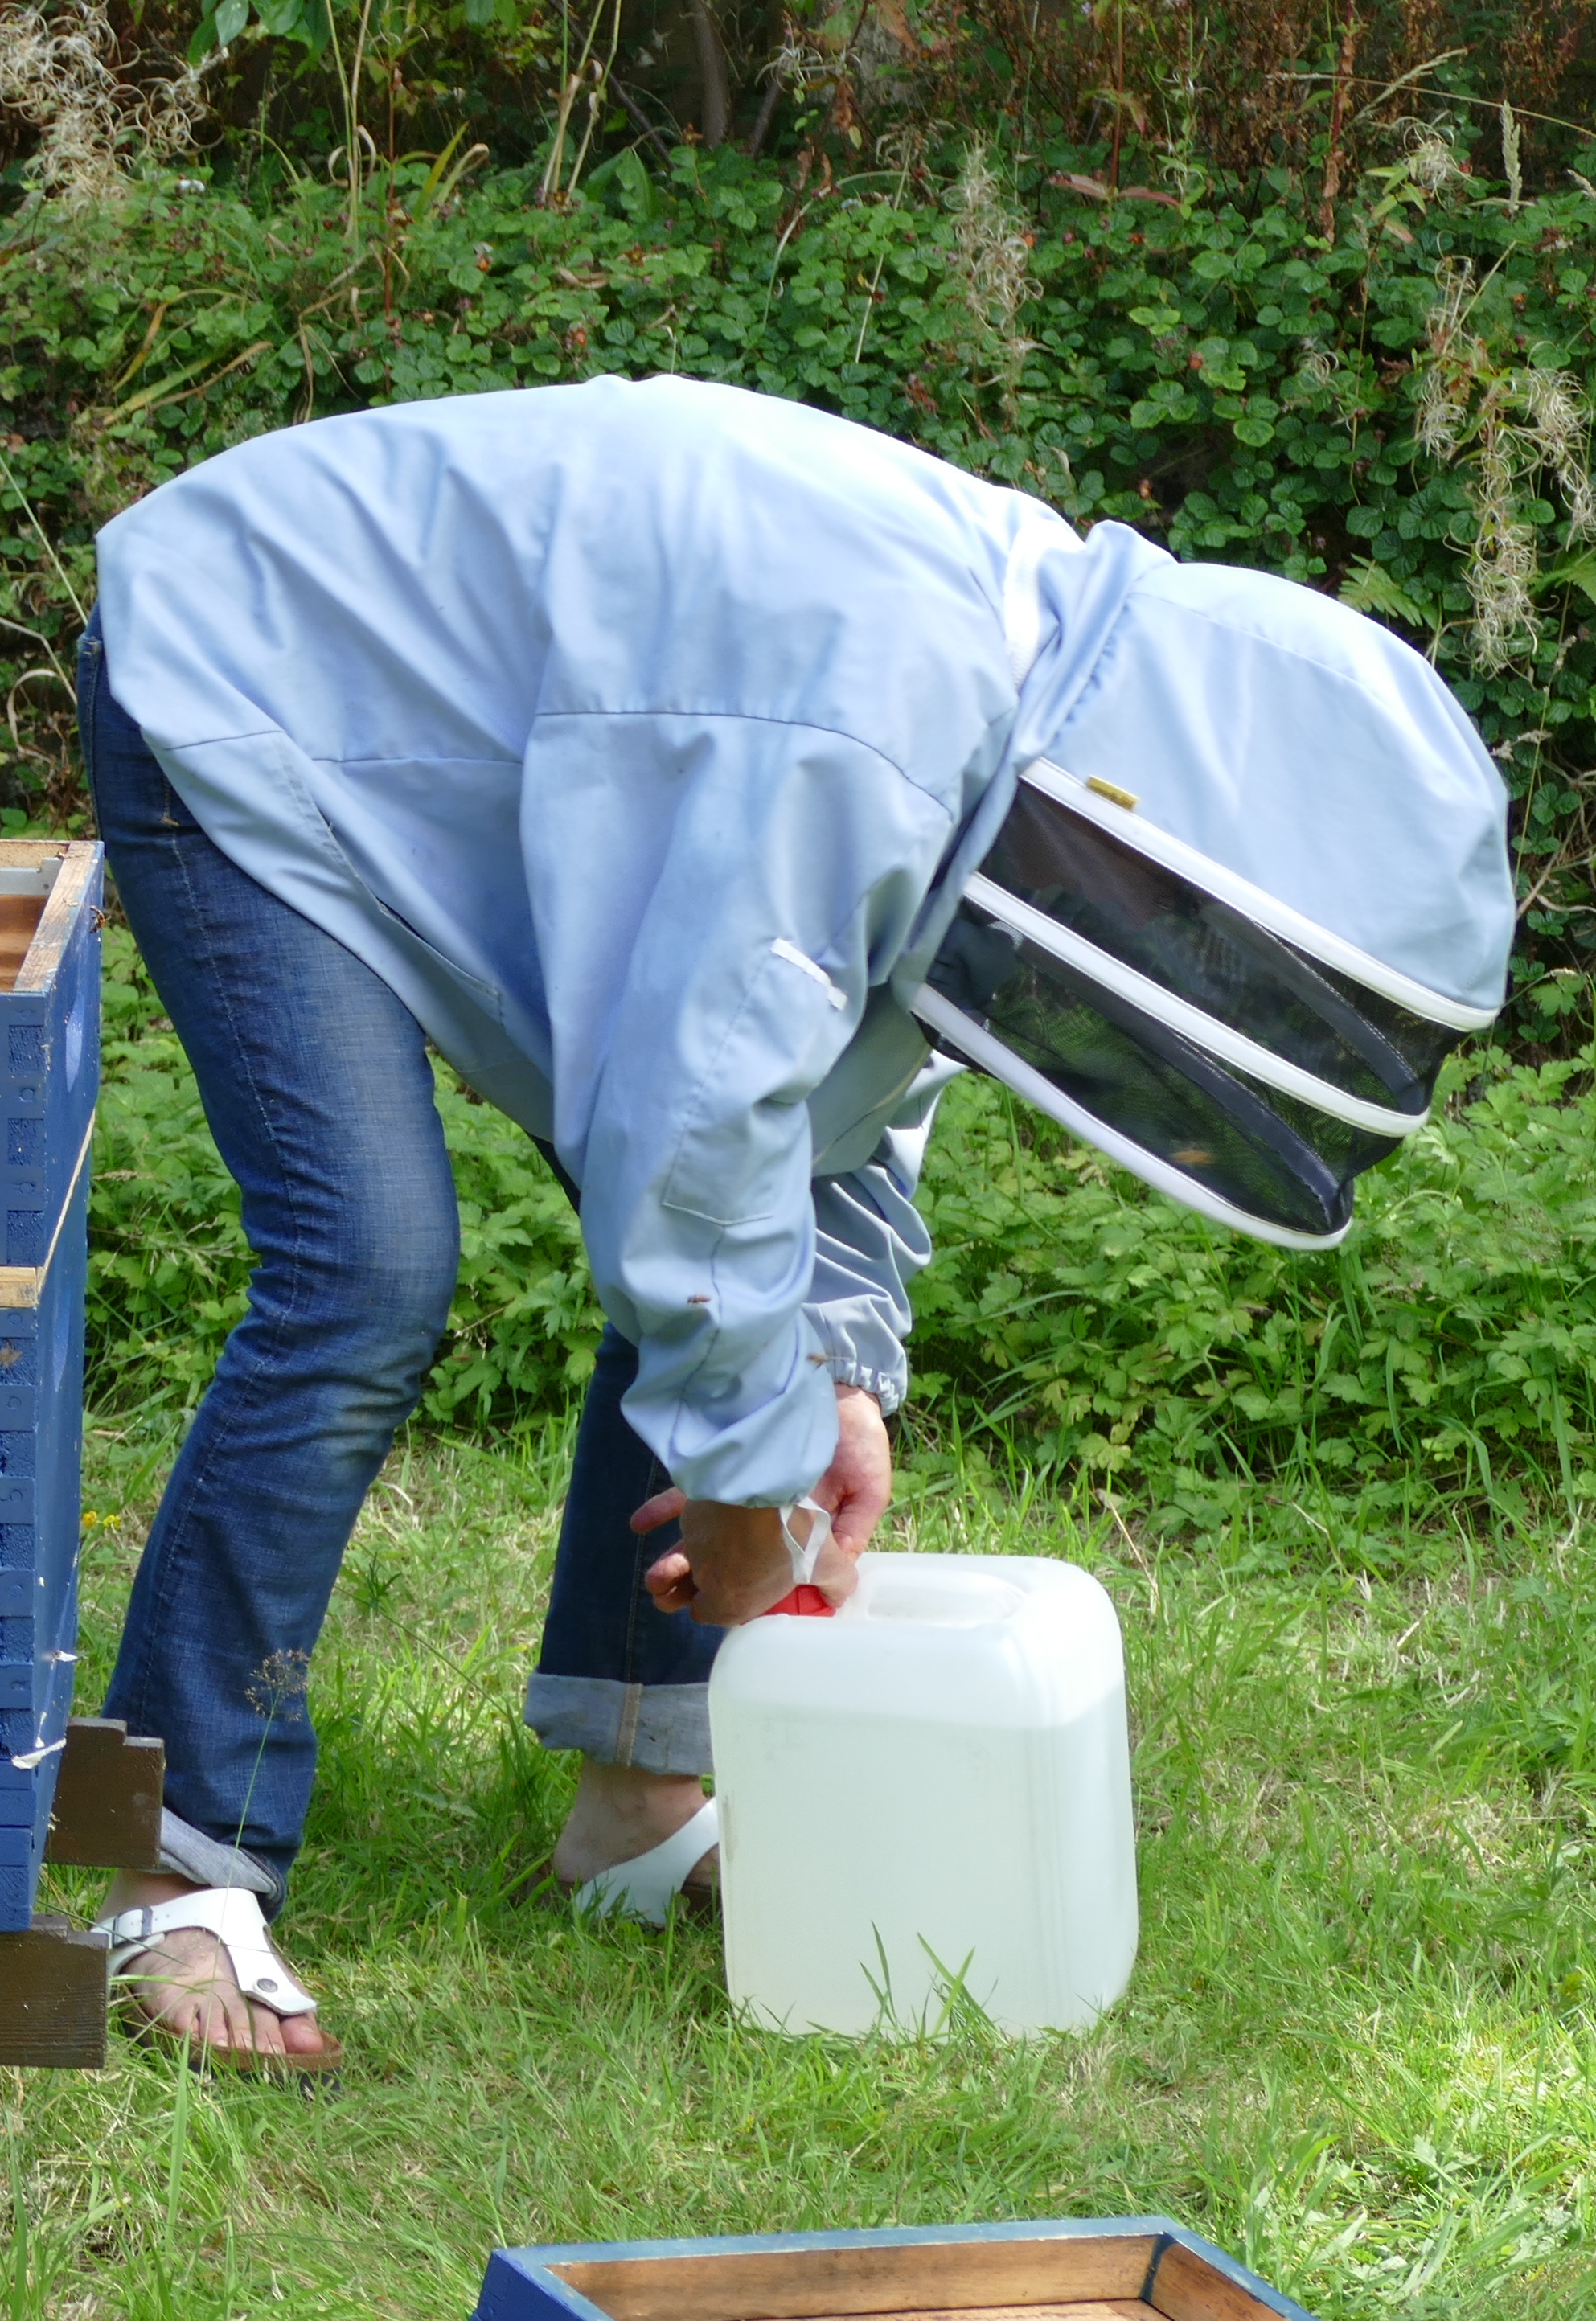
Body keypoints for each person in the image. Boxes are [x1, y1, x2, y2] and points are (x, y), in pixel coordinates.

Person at [74, 375, 1512, 2077]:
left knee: (737, 1306)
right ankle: (167, 1861)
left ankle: (636, 1799)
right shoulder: (880, 721)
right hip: (251, 671)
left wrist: (830, 1375)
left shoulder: (1007, 731)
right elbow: (696, 1139)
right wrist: (749, 1504)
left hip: (484, 750)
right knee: (366, 1268)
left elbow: (837, 1091)